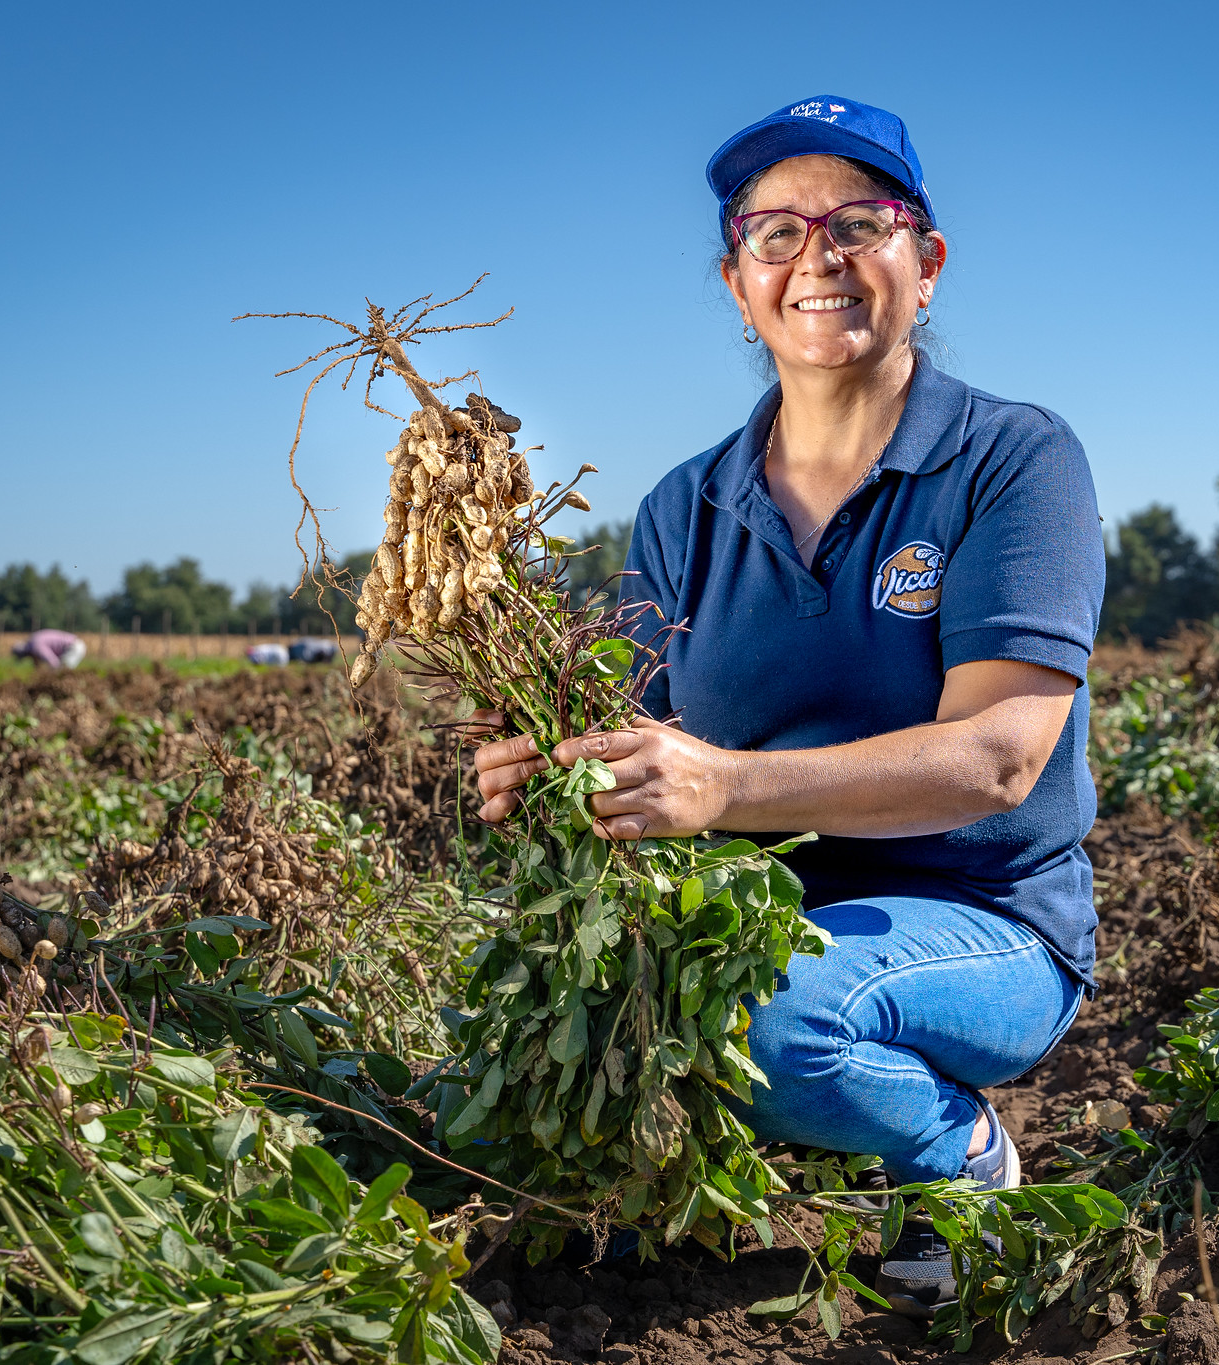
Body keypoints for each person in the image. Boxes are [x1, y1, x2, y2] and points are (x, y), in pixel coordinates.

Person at [470, 96, 1104, 1317]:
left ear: (924, 263)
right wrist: (551, 772)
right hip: (753, 925)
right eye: (774, 233)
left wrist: (724, 786)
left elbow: (996, 758)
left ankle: (959, 1157)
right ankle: (805, 1114)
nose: (816, 256)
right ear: (735, 282)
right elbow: (640, 738)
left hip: (984, 923)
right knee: (507, 1061)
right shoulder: (683, 507)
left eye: (858, 223)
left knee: (770, 1030)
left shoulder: (1011, 460)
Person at [11, 628, 86, 669]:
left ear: (26, 653)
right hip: (74, 645)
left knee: (62, 671)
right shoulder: (34, 640)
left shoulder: (36, 646)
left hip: (73, 647)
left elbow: (53, 662)